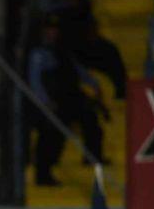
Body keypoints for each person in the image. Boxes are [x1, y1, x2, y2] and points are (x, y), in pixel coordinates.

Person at [28, 18, 105, 186]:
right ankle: (43, 174)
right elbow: (35, 81)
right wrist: (45, 102)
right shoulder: (39, 54)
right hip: (52, 102)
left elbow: (78, 71)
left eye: (55, 29)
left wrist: (94, 84)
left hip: (69, 98)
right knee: (50, 138)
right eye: (49, 29)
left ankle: (92, 157)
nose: (53, 33)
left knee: (90, 120)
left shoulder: (63, 50)